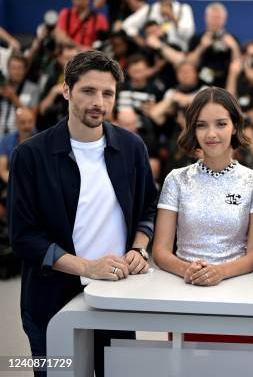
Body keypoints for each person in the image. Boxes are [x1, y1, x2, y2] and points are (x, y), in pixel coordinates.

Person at [8, 50, 157, 377]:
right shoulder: (30, 156)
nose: (99, 102)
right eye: (88, 91)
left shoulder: (131, 148)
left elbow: (148, 207)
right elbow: (23, 239)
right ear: (66, 91)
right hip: (50, 303)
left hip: (116, 298)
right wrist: (88, 267)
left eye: (108, 93)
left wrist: (138, 247)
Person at [153, 86, 253, 343]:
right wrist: (188, 270)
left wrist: (221, 272)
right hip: (185, 295)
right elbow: (160, 250)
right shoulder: (176, 180)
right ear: (193, 129)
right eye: (202, 125)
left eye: (221, 124)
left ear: (235, 126)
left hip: (239, 297)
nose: (211, 134)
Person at [122, 0, 195, 51]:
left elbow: (188, 34)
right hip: (155, 52)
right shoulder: (149, 10)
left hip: (179, 51)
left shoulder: (184, 9)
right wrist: (141, 42)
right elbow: (127, 24)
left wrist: (172, 17)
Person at [0, 54, 40, 140]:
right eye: (13, 68)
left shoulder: (32, 89)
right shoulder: (3, 85)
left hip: (19, 136)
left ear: (25, 70)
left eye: (19, 68)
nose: (16, 71)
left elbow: (32, 117)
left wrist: (13, 98)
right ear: (8, 69)